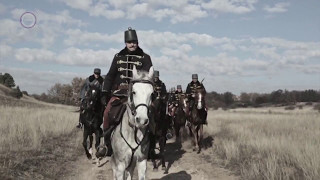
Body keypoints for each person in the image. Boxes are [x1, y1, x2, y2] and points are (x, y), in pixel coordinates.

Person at [96, 27, 153, 158]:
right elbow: (110, 76)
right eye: (129, 42)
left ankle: (151, 146)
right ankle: (105, 144)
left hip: (138, 95)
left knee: (152, 115)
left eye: (134, 42)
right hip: (119, 93)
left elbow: (148, 78)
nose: (132, 44)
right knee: (107, 113)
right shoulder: (118, 57)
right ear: (125, 43)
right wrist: (105, 92)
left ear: (138, 42)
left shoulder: (145, 57)